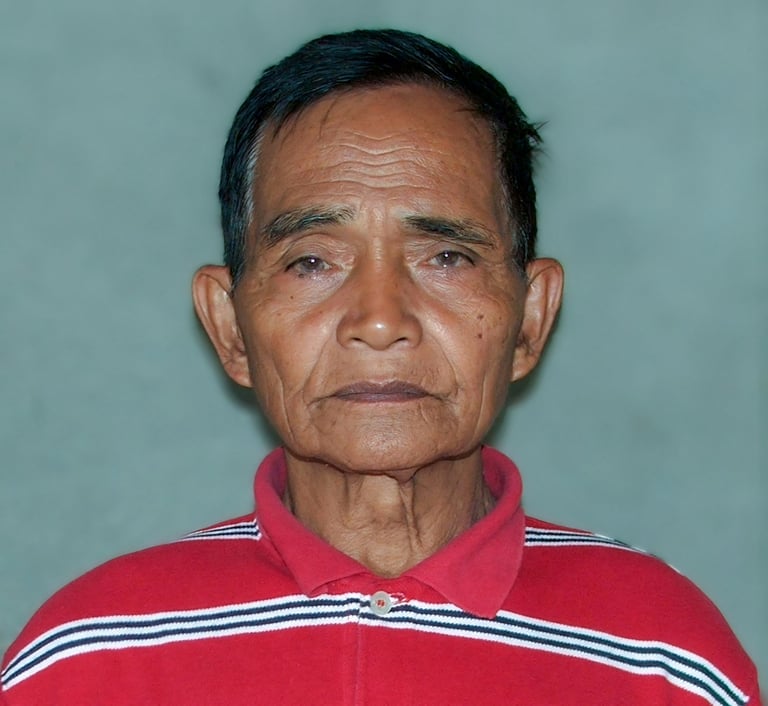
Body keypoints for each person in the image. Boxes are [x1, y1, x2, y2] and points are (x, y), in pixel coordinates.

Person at [1, 28, 760, 705]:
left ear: (530, 317)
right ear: (230, 327)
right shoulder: (87, 658)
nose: (379, 320)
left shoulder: (664, 658)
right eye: (311, 262)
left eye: (446, 257)